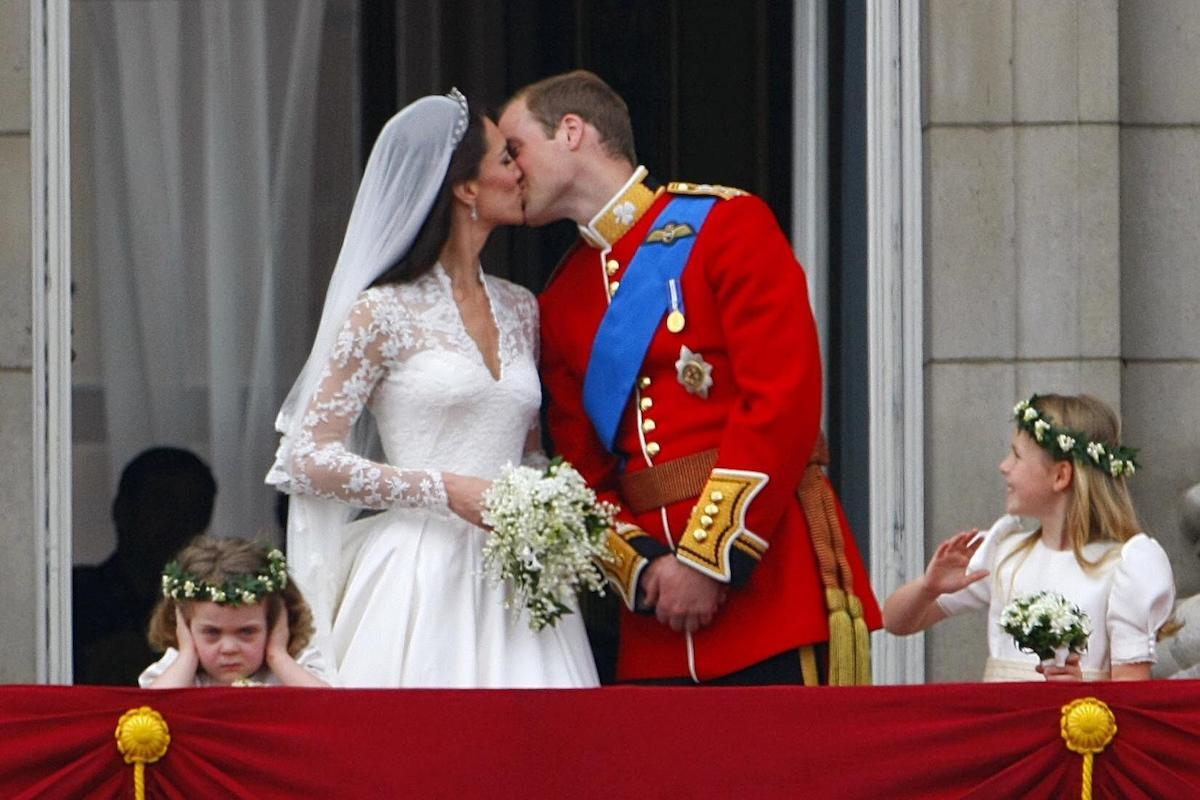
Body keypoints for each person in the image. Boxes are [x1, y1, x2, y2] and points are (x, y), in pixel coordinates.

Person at [498, 70, 881, 685]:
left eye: (515, 149)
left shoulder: (728, 225)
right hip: (656, 621)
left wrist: (708, 560)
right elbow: (580, 472)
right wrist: (646, 570)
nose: (510, 171)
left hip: (769, 590)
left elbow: (782, 400)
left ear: (571, 132)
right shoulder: (562, 298)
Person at [266, 89, 598, 688]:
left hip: (520, 578)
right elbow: (308, 458)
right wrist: (444, 489)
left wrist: (552, 509)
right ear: (465, 188)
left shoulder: (521, 307)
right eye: (505, 159)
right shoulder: (380, 313)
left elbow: (527, 451)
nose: (521, 171)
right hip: (418, 575)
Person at [884, 393, 1175, 681]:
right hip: (1004, 725)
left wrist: (1080, 690)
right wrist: (928, 587)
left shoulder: (1123, 567)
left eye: (1017, 455)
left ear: (1061, 476)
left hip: (1078, 725)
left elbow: (1131, 692)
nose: (1004, 466)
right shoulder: (1005, 553)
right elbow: (896, 622)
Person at [73, 447, 217, 685]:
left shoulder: (213, 601)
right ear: (122, 510)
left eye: (194, 508)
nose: (179, 522)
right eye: (163, 504)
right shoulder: (76, 596)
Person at [140, 535, 329, 687]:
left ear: (274, 624)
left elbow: (331, 709)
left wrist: (277, 656)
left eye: (247, 632)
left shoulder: (296, 665)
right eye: (212, 632)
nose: (229, 649)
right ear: (184, 628)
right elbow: (151, 711)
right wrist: (187, 655)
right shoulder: (177, 670)